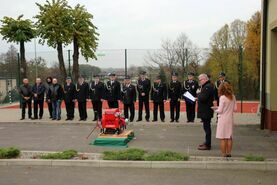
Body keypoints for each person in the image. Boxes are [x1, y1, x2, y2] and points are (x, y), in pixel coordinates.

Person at [212, 82, 237, 157]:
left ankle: (223, 153)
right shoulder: (233, 96)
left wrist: (214, 109)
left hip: (223, 119)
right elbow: (235, 109)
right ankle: (229, 153)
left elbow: (220, 111)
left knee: (222, 137)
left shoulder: (222, 97)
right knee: (229, 137)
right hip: (230, 118)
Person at [197, 74, 214, 150]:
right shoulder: (206, 86)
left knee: (207, 128)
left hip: (206, 111)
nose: (199, 81)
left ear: (205, 79)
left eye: (200, 80)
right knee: (206, 127)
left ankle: (208, 144)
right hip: (205, 110)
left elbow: (203, 98)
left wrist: (198, 93)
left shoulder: (208, 87)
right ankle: (207, 142)